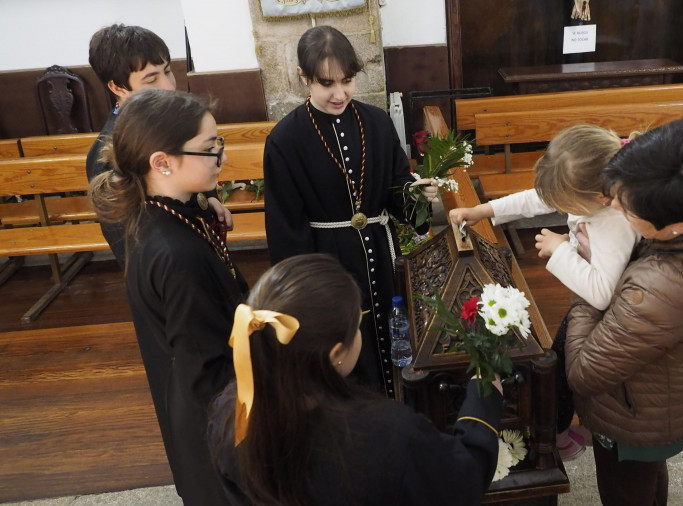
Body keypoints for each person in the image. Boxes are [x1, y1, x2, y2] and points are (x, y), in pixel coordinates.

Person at [565, 118, 683, 505]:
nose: (612, 204)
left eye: (625, 204)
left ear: (677, 225)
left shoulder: (660, 288)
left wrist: (588, 275)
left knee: (626, 486)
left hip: (639, 415)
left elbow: (583, 372)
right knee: (648, 474)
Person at [208, 254, 503, 505]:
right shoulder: (387, 434)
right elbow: (463, 482)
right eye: (356, 326)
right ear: (336, 353)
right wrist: (484, 396)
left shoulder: (229, 416)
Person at [89, 88, 247, 505]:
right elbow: (208, 371)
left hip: (200, 394)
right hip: (216, 412)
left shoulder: (162, 211)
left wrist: (205, 202)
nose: (221, 158)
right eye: (210, 149)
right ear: (161, 162)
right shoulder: (176, 256)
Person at [263, 25, 437, 399]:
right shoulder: (284, 140)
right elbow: (285, 231)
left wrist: (418, 197)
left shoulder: (376, 122)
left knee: (394, 344)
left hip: (379, 247)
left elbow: (397, 196)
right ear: (303, 78)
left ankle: (396, 415)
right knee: (343, 357)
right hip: (327, 261)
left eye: (347, 81)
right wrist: (306, 295)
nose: (339, 93)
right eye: (327, 84)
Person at [448, 124, 641, 460]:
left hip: (606, 317)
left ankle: (558, 434)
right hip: (587, 303)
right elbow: (535, 199)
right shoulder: (596, 191)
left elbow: (601, 292)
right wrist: (482, 212)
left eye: (562, 202)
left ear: (598, 198)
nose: (556, 205)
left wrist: (560, 249)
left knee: (563, 370)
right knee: (560, 363)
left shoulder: (615, 224)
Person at [86, 24, 230, 268]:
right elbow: (131, 244)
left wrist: (209, 198)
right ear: (117, 87)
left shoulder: (166, 117)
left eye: (167, 71)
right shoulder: (109, 152)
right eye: (151, 79)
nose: (168, 86)